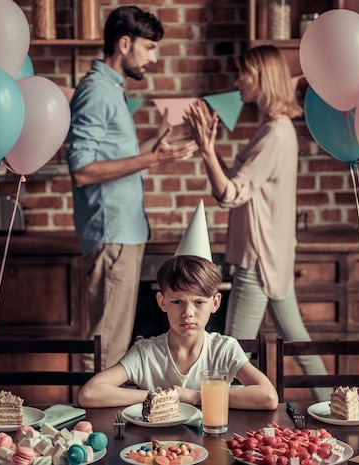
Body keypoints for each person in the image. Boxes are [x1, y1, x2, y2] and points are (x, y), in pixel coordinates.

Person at [183, 45, 331, 402]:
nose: (236, 81)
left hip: (258, 261)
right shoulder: (273, 129)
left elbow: (229, 193)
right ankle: (334, 407)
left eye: (243, 74)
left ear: (261, 78)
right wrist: (211, 147)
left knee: (231, 353)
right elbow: (239, 181)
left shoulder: (275, 134)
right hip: (269, 257)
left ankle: (219, 426)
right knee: (300, 347)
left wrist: (206, 151)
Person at [65, 6, 197, 371]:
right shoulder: (97, 92)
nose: (154, 58)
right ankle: (93, 428)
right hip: (113, 237)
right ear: (125, 43)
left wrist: (153, 148)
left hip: (122, 235)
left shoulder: (110, 89)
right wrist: (153, 160)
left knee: (112, 343)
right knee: (107, 348)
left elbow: (111, 160)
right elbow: (82, 170)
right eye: (150, 47)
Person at [77, 254, 279, 410]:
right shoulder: (145, 352)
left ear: (215, 303)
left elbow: (268, 397)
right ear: (162, 302)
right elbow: (89, 393)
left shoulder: (224, 349)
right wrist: (159, 396)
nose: (188, 313)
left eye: (199, 302)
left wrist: (195, 396)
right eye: (177, 302)